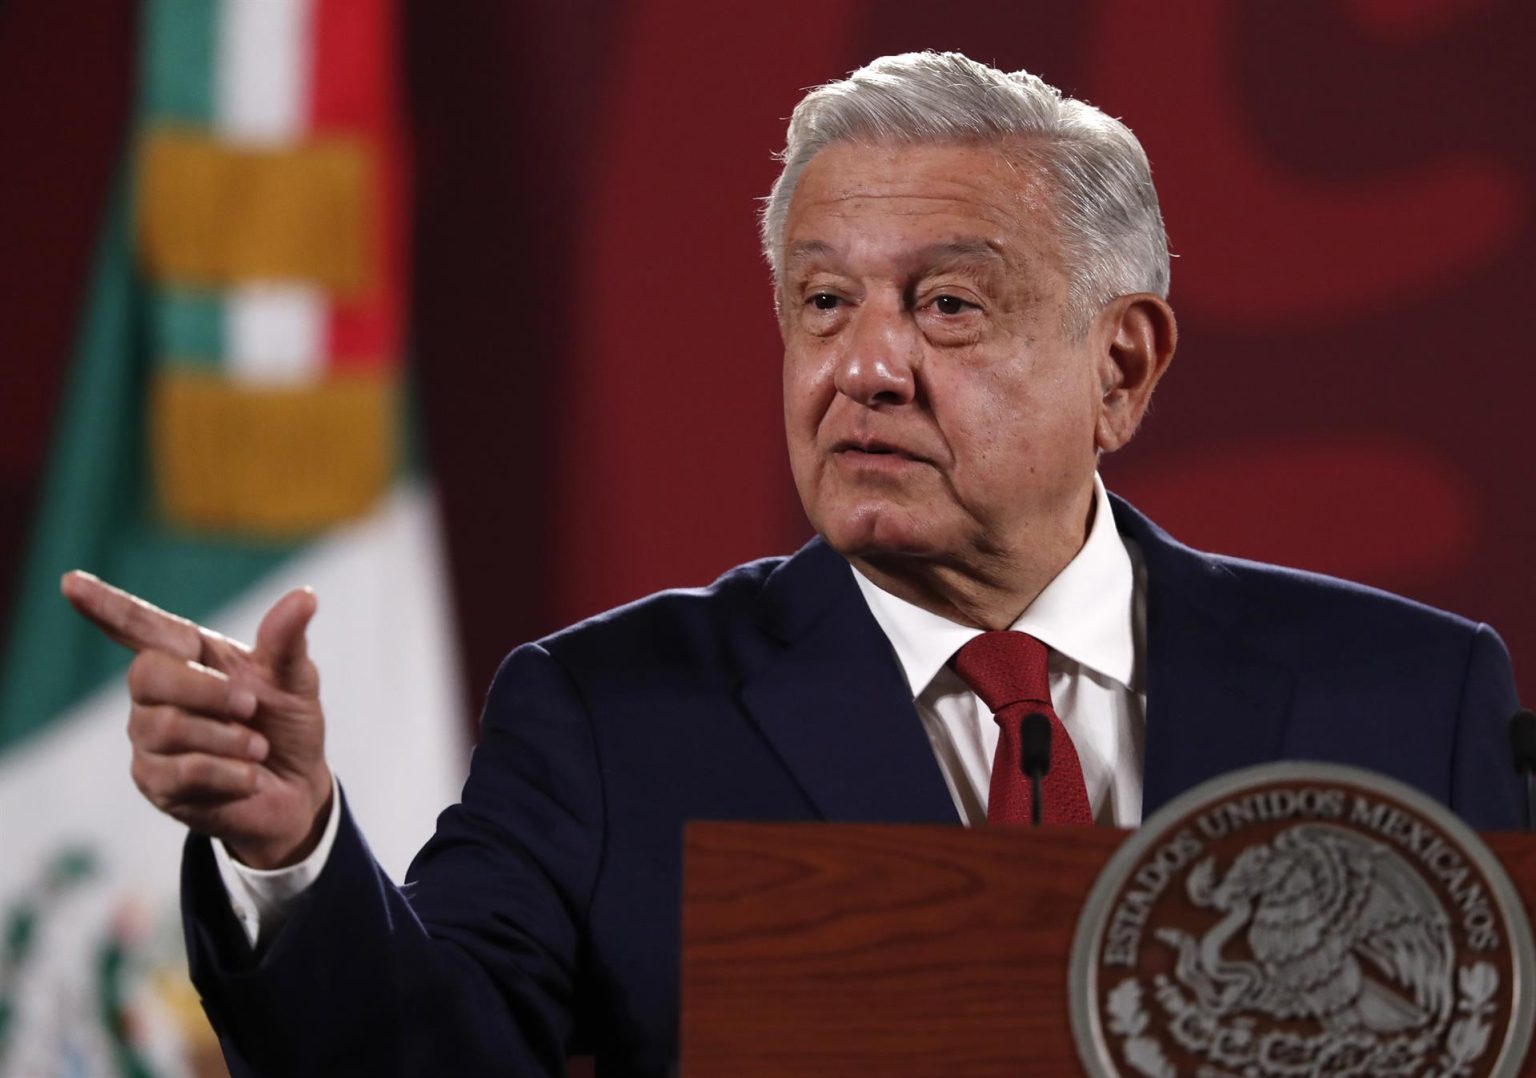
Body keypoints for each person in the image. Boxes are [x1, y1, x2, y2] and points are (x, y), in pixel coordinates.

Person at [61, 51, 1521, 1076]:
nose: (864, 365)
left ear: (1122, 366)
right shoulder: (609, 714)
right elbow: (423, 1054)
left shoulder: (1406, 699)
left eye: (947, 303)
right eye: (823, 302)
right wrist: (290, 852)